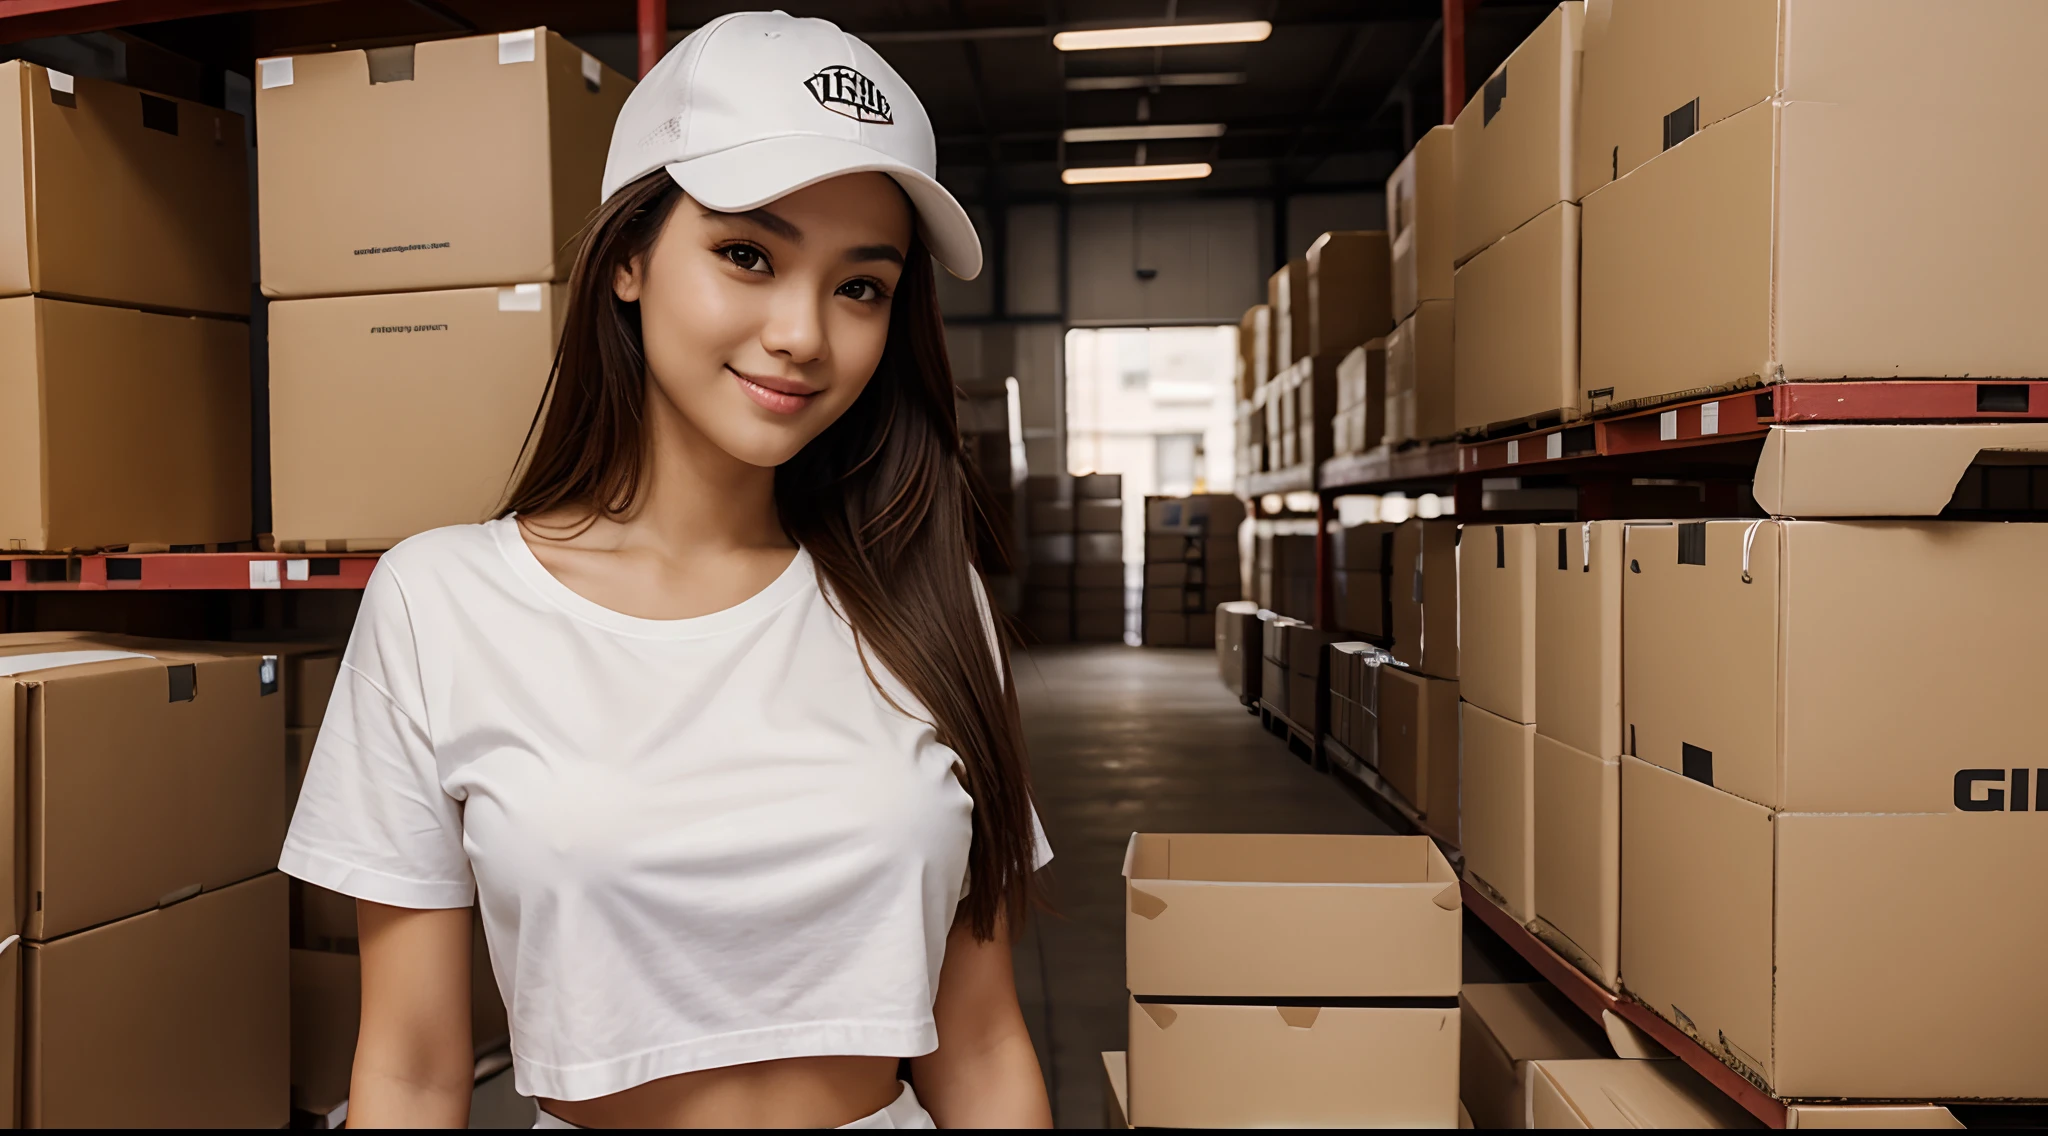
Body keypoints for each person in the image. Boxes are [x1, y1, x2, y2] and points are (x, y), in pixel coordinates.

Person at [281, 12, 1053, 1129]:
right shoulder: (440, 602)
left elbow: (979, 1044)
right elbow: (408, 1069)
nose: (802, 333)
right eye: (748, 254)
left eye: (862, 286)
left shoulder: (930, 603)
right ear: (630, 258)